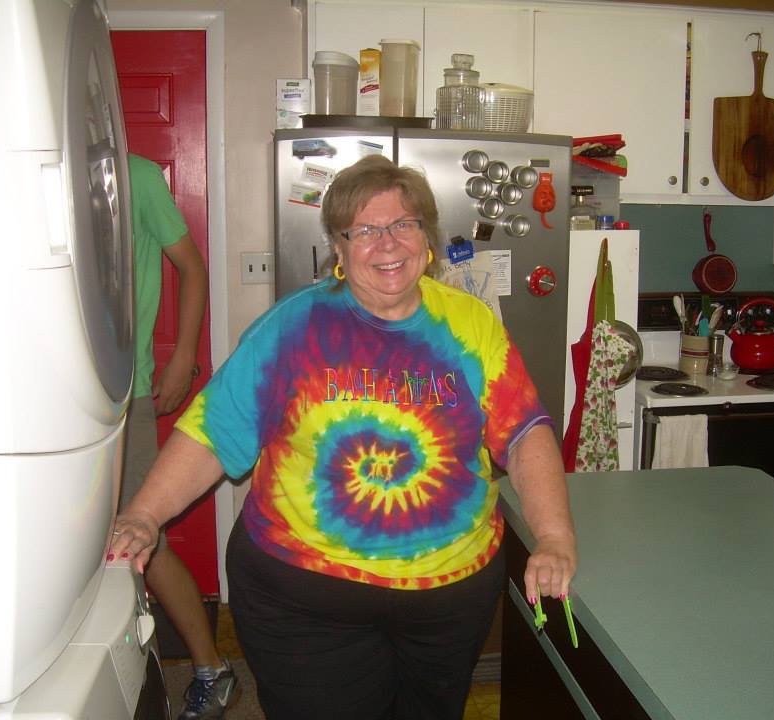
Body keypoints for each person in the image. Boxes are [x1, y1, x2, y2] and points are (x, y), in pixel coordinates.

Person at [111, 155, 577, 720]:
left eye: (403, 224)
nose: (388, 243)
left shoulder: (471, 323)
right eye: (365, 230)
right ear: (339, 247)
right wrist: (144, 514)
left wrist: (553, 537)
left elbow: (524, 432)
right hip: (305, 600)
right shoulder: (294, 327)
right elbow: (213, 431)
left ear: (426, 240)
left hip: (449, 600)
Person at [122, 153, 237, 720]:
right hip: (40, 404)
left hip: (124, 392)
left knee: (143, 535)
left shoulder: (137, 176)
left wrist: (184, 354)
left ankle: (211, 668)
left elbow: (190, 265)